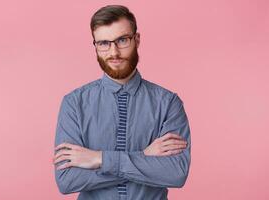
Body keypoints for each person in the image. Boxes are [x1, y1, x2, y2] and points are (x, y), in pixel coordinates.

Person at [53, 5, 191, 200]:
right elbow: (67, 180)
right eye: (103, 43)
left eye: (122, 40)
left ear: (137, 40)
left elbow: (175, 174)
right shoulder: (74, 104)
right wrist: (144, 157)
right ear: (95, 46)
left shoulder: (168, 103)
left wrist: (98, 158)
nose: (114, 52)